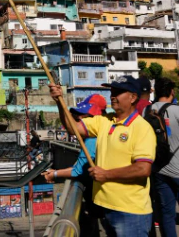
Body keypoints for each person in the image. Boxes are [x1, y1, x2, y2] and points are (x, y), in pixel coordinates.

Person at [50, 75, 156, 237]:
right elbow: (74, 128)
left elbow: (143, 169)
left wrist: (106, 174)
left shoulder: (142, 128)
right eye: (112, 91)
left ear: (133, 97)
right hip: (107, 208)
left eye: (118, 92)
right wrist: (59, 101)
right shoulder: (105, 121)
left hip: (131, 212)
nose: (113, 96)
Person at [43, 93, 106, 237]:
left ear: (94, 117)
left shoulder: (92, 140)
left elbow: (78, 171)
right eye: (78, 116)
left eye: (83, 116)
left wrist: (55, 174)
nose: (79, 118)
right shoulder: (96, 136)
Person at [147, 78, 179, 237]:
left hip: (158, 169)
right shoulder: (176, 110)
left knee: (167, 214)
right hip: (177, 168)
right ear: (172, 92)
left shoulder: (146, 111)